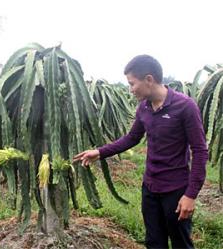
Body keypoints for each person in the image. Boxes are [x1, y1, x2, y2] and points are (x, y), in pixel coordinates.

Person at [73, 55, 208, 249]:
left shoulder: (185, 106)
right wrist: (99, 152)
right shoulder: (143, 108)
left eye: (132, 84)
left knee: (181, 243)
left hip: (176, 190)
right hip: (150, 188)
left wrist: (191, 195)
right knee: (154, 242)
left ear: (149, 79)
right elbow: (132, 138)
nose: (130, 89)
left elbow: (200, 151)